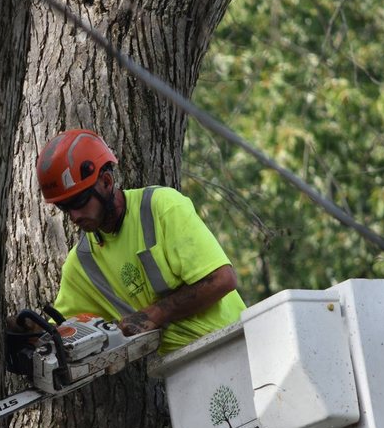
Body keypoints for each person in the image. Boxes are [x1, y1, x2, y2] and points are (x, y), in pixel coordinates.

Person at [33, 128, 245, 354]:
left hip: (237, 342)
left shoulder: (161, 207)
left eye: (79, 201)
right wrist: (30, 333)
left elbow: (222, 279)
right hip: (180, 368)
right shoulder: (83, 263)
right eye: (64, 207)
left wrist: (155, 313)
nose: (74, 216)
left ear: (106, 182)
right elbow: (63, 332)